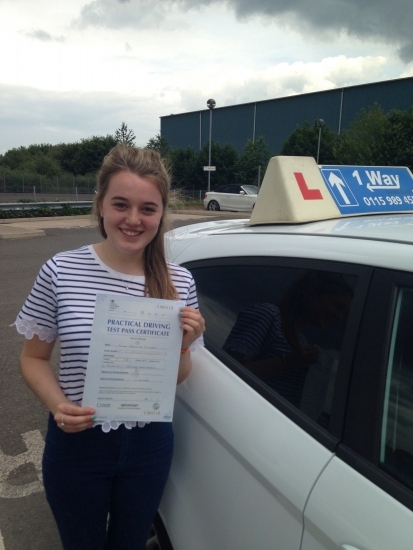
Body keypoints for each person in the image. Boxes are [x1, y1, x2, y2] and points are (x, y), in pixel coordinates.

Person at [13, 145, 205, 550]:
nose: (133, 220)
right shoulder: (61, 270)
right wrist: (57, 405)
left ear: (161, 213)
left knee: (130, 543)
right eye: (121, 204)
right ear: (100, 205)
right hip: (77, 442)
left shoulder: (179, 282)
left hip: (149, 443)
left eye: (148, 209)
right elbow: (33, 359)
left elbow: (178, 377)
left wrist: (183, 348)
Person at [223, 271, 353, 420]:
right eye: (339, 307)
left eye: (344, 312)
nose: (339, 316)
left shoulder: (301, 341)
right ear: (312, 294)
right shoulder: (268, 316)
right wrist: (288, 362)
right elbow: (225, 371)